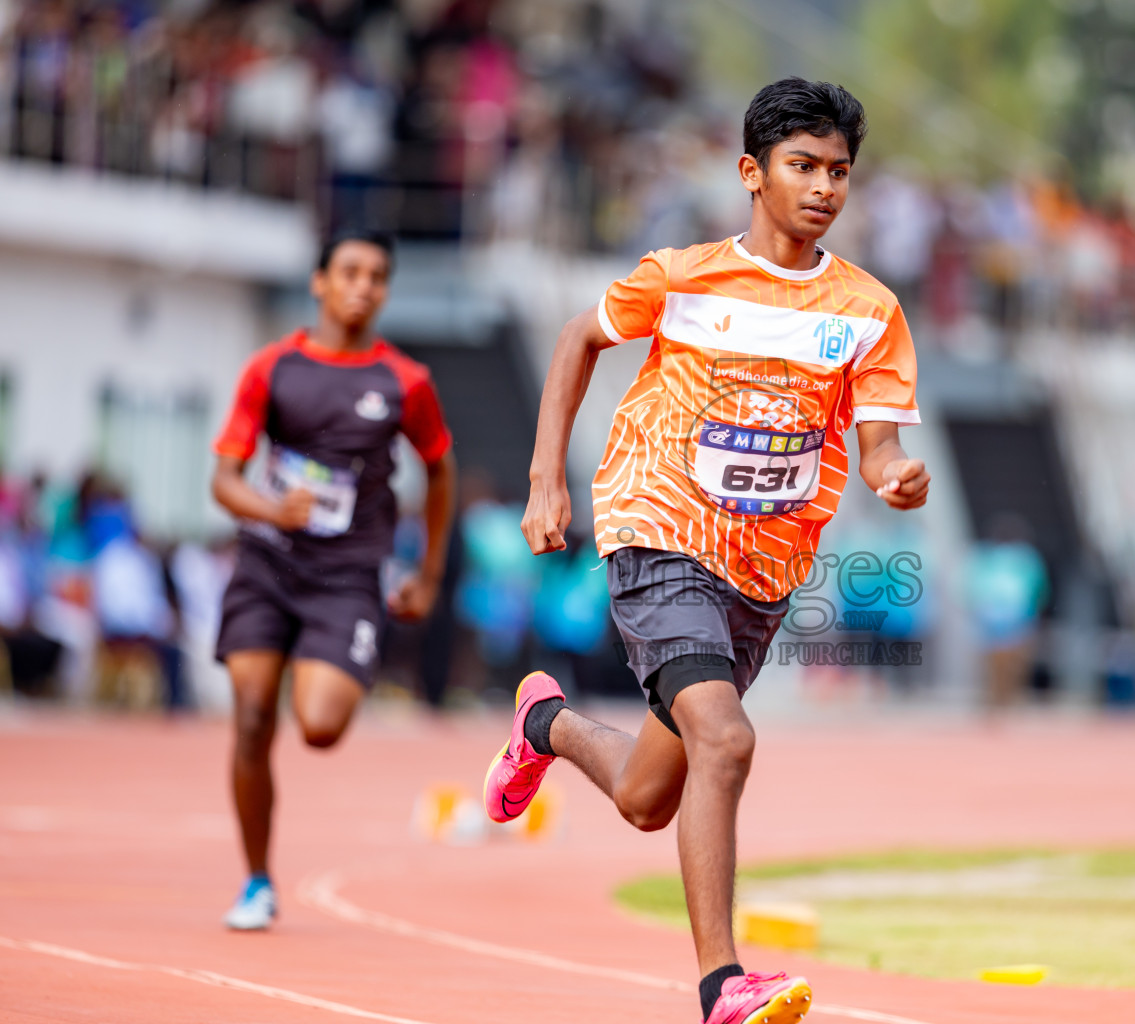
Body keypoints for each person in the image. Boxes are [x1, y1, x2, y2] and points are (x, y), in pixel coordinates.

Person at [482, 78, 928, 1024]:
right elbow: (577, 337)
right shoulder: (682, 276)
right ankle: (724, 984)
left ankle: (544, 727)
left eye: (839, 172)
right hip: (660, 530)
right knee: (726, 739)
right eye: (802, 167)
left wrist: (892, 475)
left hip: (762, 572)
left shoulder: (870, 309)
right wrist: (545, 479)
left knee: (650, 798)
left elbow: (880, 441)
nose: (822, 188)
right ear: (751, 173)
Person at [210, 230, 457, 930]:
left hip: (348, 575)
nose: (362, 286)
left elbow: (439, 468)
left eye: (377, 275)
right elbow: (224, 480)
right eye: (349, 271)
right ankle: (257, 880)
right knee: (254, 715)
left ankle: (323, 655)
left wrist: (428, 572)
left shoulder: (404, 382)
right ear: (319, 282)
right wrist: (270, 506)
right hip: (267, 562)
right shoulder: (272, 368)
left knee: (318, 727)